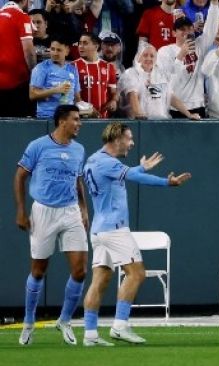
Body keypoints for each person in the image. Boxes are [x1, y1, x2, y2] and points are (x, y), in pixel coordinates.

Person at [81, 122, 191, 346]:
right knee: (137, 273)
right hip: (114, 228)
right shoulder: (107, 163)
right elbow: (134, 178)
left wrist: (141, 168)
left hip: (98, 230)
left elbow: (128, 174)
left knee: (100, 280)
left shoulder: (93, 160)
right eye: (129, 138)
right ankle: (120, 326)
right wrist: (167, 182)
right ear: (116, 138)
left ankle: (90, 334)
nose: (132, 143)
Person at [15, 105, 89, 346]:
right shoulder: (38, 146)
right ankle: (28, 322)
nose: (79, 124)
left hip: (70, 212)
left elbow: (78, 181)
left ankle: (65, 320)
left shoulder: (79, 149)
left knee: (80, 271)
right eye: (76, 120)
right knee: (38, 271)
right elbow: (20, 176)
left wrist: (84, 209)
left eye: (80, 120)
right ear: (61, 122)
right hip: (43, 211)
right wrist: (21, 210)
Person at [157, 0, 219, 119]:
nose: (186, 32)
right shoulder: (164, 51)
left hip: (197, 104)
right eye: (182, 29)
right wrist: (181, 55)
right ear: (174, 33)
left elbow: (211, 29)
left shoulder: (199, 45)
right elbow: (165, 79)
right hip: (174, 107)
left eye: (189, 28)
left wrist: (214, 4)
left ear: (193, 30)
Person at [119, 44, 201, 120]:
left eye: (152, 56)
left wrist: (188, 114)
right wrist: (139, 116)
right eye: (145, 55)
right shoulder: (131, 73)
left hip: (158, 123)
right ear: (139, 57)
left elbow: (171, 97)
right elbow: (133, 96)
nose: (149, 58)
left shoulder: (159, 76)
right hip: (138, 123)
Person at [29, 36, 81, 119]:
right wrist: (56, 90)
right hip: (47, 117)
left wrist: (86, 108)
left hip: (68, 118)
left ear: (67, 51)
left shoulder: (72, 69)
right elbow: (32, 94)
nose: (55, 53)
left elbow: (77, 97)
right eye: (52, 49)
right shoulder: (41, 68)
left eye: (59, 50)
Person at [0, 0, 36, 118]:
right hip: (16, 83)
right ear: (24, 1)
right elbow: (29, 51)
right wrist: (34, 73)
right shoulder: (21, 17)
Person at [73, 32, 118, 118]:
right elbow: (73, 96)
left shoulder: (109, 67)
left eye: (85, 43)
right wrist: (88, 109)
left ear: (96, 46)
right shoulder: (72, 66)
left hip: (103, 118)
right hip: (80, 119)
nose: (81, 46)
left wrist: (114, 101)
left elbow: (114, 92)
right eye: (80, 43)